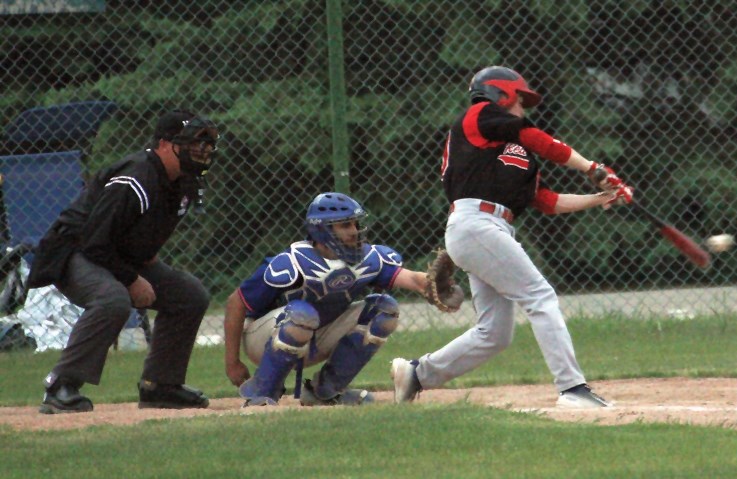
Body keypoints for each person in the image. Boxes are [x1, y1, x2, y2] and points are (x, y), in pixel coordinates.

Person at [391, 66, 633, 408]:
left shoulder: (512, 153)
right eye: (519, 100)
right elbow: (534, 136)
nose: (523, 109)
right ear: (499, 94)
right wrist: (593, 168)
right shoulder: (478, 117)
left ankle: (417, 374)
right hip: (475, 222)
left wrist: (599, 198)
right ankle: (572, 388)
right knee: (540, 296)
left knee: (494, 333)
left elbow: (545, 200)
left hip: (490, 230)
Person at [28, 110, 220, 414]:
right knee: (113, 299)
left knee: (189, 295)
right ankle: (60, 386)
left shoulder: (184, 181)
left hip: (112, 254)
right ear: (164, 144)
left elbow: (143, 234)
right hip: (74, 252)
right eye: (194, 143)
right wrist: (131, 279)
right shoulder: (136, 177)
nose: (202, 151)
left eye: (206, 145)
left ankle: (161, 386)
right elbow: (94, 241)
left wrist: (142, 264)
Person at [224, 192, 457, 406]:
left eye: (356, 223)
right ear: (322, 230)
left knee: (384, 310)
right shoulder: (292, 263)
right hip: (265, 340)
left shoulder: (368, 257)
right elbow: (236, 303)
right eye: (346, 224)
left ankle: (326, 391)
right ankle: (262, 393)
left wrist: (432, 284)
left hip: (317, 335)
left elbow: (411, 279)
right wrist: (232, 362)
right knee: (302, 313)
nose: (355, 230)